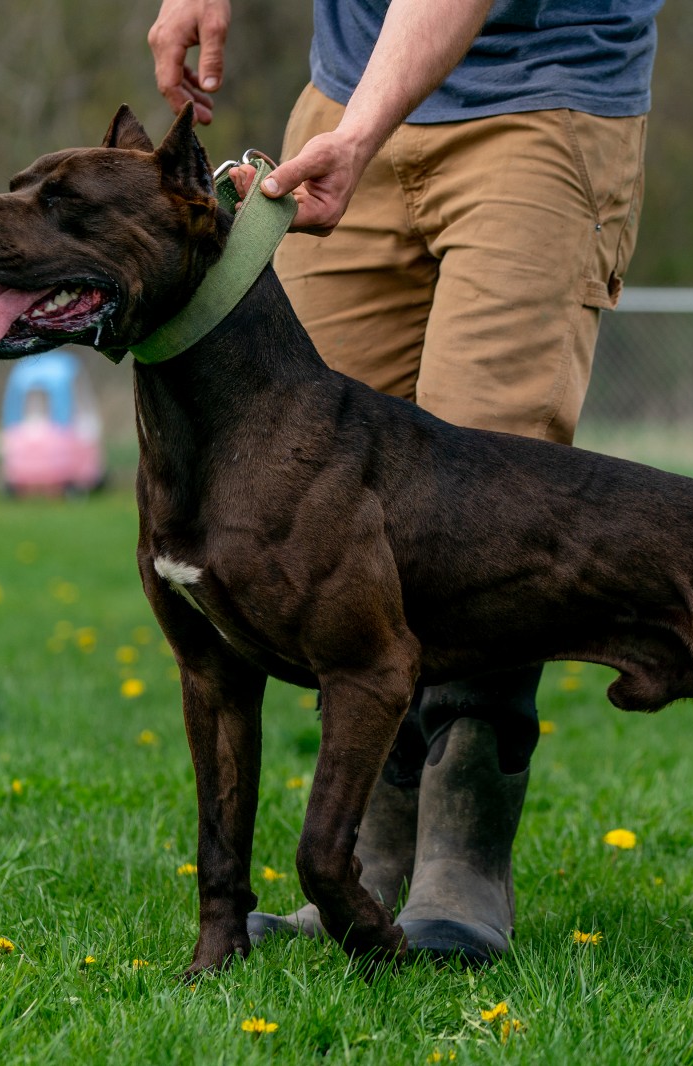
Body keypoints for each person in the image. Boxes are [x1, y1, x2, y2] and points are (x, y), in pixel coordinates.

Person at [148, 0, 662, 963]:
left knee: (487, 505)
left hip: (541, 108)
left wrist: (362, 132)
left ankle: (463, 856)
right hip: (345, 99)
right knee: (303, 504)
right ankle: (365, 856)